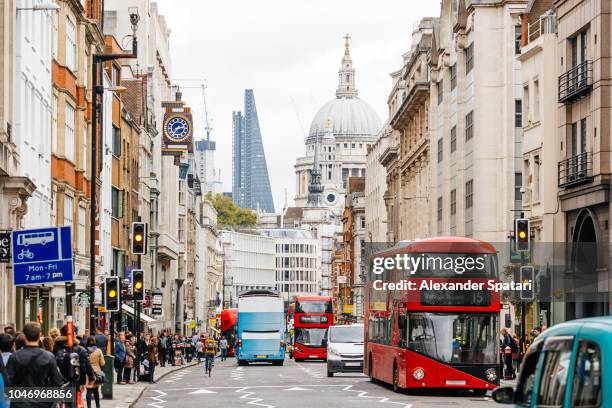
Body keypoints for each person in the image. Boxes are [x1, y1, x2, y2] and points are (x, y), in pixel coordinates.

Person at [6, 322, 64, 408]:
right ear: (40, 335)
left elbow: (8, 382)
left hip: (20, 403)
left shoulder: (14, 357)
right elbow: (57, 382)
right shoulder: (49, 357)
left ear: (24, 336)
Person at [53, 325, 95, 389]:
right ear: (74, 334)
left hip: (59, 382)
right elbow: (87, 365)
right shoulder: (80, 349)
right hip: (76, 383)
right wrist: (91, 378)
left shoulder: (56, 347)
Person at [85, 336, 105, 408]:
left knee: (89, 391)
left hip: (87, 373)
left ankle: (88, 406)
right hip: (97, 373)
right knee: (96, 391)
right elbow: (102, 363)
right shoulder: (98, 351)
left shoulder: (85, 350)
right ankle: (97, 405)